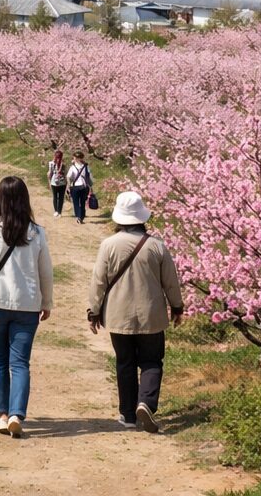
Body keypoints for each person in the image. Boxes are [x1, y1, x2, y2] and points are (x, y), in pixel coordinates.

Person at [87, 191, 184, 434]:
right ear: (142, 217)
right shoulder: (156, 246)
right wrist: (177, 306)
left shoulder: (108, 245)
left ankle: (128, 414)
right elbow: (170, 281)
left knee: (125, 363)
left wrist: (94, 310)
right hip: (151, 314)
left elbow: (98, 281)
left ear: (119, 218)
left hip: (118, 316)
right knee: (152, 361)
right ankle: (146, 403)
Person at [0, 176, 54, 437]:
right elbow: (46, 272)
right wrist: (47, 302)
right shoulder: (36, 232)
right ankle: (18, 413)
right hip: (27, 305)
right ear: (24, 200)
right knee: (20, 363)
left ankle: (2, 414)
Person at [66, 153, 93, 224]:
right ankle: (81, 217)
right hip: (84, 187)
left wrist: (69, 185)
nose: (73, 159)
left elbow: (68, 176)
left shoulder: (73, 167)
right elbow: (90, 177)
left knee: (76, 203)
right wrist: (91, 186)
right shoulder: (86, 166)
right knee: (82, 202)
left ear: (77, 158)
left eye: (74, 157)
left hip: (75, 187)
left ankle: (78, 216)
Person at [47, 148, 67, 218]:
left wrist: (49, 181)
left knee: (55, 197)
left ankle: (56, 211)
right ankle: (59, 212)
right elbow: (65, 174)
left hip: (54, 182)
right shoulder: (63, 164)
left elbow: (50, 173)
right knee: (61, 197)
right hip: (62, 182)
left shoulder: (51, 163)